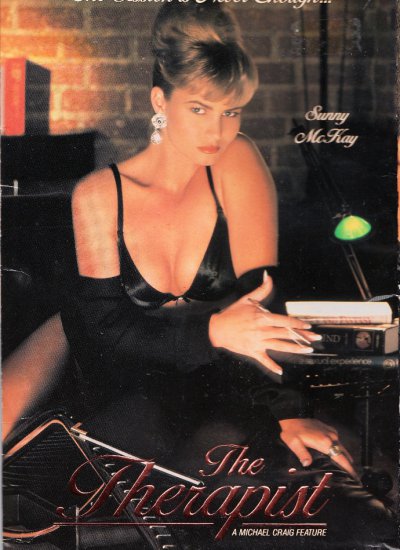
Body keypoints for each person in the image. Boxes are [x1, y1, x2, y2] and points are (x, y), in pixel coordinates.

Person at [3, 2, 396, 547]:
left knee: (224, 465)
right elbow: (101, 334)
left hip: (221, 385)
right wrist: (212, 329)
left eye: (231, 111)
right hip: (124, 384)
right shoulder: (98, 194)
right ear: (159, 102)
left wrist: (287, 413)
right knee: (136, 457)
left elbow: (260, 314)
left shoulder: (236, 163)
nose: (217, 131)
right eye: (199, 108)